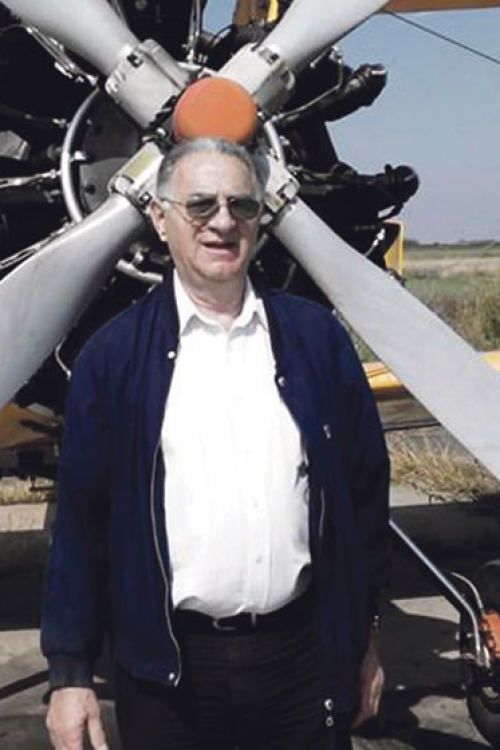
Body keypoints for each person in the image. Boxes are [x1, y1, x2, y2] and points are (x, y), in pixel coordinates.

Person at [42, 137, 390, 750]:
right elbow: (81, 524)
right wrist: (70, 675)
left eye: (242, 205)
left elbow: (363, 499)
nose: (223, 223)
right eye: (200, 204)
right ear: (159, 217)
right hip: (168, 674)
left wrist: (364, 638)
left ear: (262, 217)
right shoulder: (112, 357)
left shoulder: (318, 340)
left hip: (302, 662)